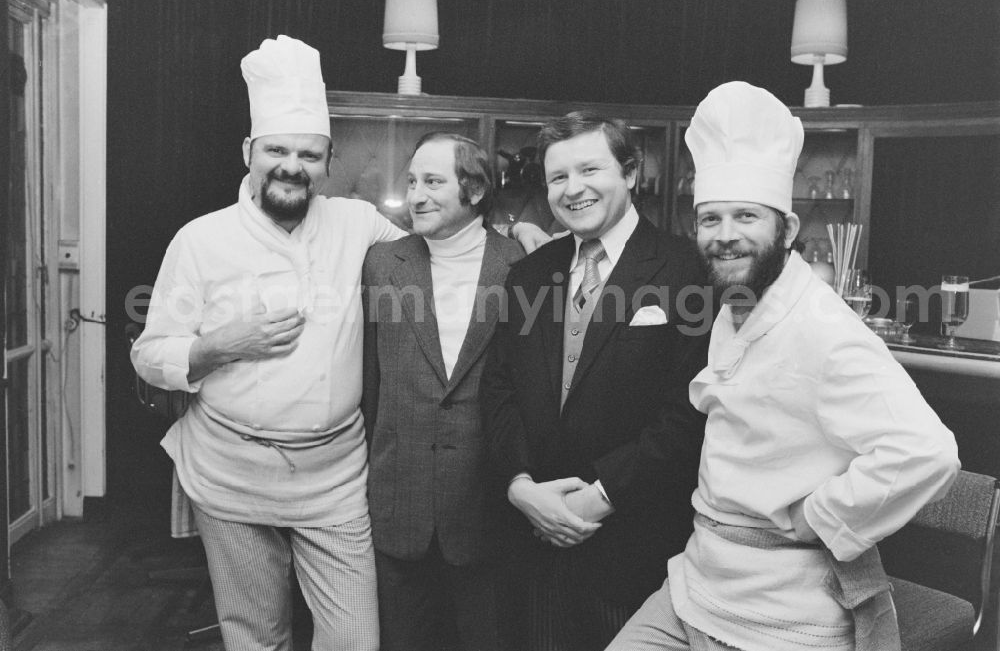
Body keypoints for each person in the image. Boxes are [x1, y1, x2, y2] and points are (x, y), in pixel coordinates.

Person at [607, 81, 960, 651]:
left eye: (746, 216)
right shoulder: (733, 306)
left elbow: (928, 453)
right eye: (710, 220)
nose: (725, 236)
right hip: (696, 584)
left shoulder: (824, 329)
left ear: (788, 231)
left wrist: (817, 516)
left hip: (782, 613)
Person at [130, 35, 406, 651]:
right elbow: (148, 355)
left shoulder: (358, 223)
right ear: (249, 152)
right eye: (277, 149)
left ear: (329, 161)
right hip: (232, 473)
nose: (292, 165)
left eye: (309, 154)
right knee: (256, 636)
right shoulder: (202, 240)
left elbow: (435, 253)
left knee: (355, 640)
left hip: (334, 477)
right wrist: (218, 346)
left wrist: (515, 233)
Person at [482, 111, 710, 651]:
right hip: (534, 537)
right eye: (558, 177)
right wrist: (520, 488)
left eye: (589, 169)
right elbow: (499, 391)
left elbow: (690, 409)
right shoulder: (530, 273)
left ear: (630, 172)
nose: (573, 188)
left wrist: (603, 495)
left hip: (633, 541)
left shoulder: (687, 270)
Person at [361, 132, 524, 651]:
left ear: (474, 191)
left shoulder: (522, 265)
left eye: (433, 182)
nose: (416, 196)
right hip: (398, 503)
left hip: (486, 508)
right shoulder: (383, 265)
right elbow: (369, 379)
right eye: (411, 182)